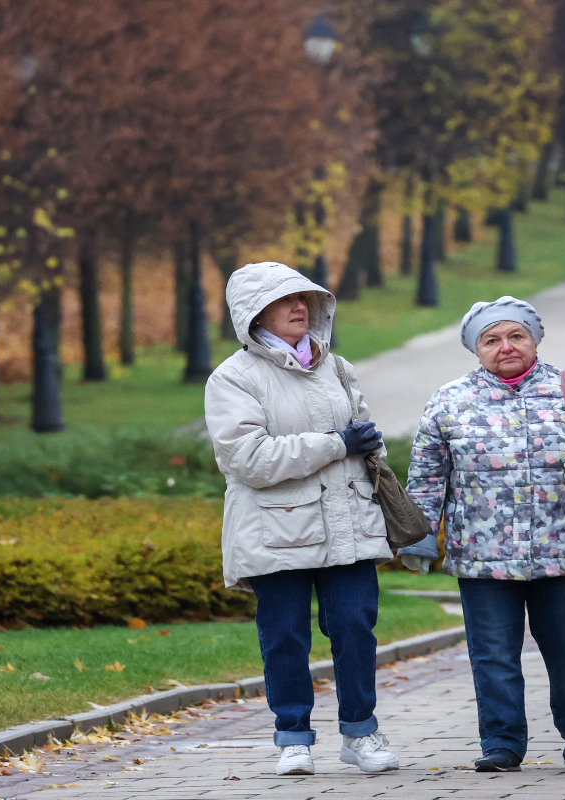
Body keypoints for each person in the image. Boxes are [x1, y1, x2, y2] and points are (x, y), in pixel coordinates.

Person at [396, 296, 565, 772]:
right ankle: (502, 743)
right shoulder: (450, 401)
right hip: (482, 558)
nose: (505, 346)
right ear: (476, 349)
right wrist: (419, 538)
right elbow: (426, 477)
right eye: (492, 340)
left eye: (515, 336)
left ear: (534, 340)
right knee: (493, 656)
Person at [204, 261, 399, 777]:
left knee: (356, 626)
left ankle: (361, 733)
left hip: (348, 524)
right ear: (253, 314)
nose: (299, 308)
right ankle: (293, 738)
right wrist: (334, 444)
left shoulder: (338, 367)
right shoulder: (232, 378)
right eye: (285, 300)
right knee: (285, 635)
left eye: (305, 299)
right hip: (275, 532)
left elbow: (365, 445)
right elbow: (246, 459)